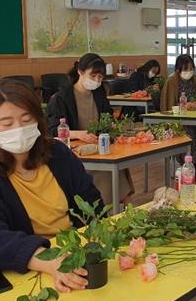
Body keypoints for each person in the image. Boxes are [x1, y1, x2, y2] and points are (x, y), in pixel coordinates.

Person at [0, 79, 102, 292]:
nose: (19, 129)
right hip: (30, 272)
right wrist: (49, 261)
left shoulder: (58, 154)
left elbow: (92, 203)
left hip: (77, 258)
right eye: (6, 124)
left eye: (27, 119)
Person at [47, 53, 134, 204]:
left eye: (100, 77)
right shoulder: (61, 98)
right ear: (80, 72)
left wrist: (113, 126)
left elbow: (108, 116)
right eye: (93, 76)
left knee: (118, 164)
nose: (96, 81)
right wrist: (80, 134)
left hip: (98, 147)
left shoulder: (99, 93)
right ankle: (106, 209)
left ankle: (124, 209)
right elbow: (53, 130)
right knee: (108, 171)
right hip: (75, 152)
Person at [160, 54, 196, 177]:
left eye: (191, 69)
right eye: (186, 69)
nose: (189, 72)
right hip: (180, 120)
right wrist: (183, 106)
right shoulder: (172, 81)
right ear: (178, 69)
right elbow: (168, 105)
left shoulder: (195, 79)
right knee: (190, 133)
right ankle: (186, 165)